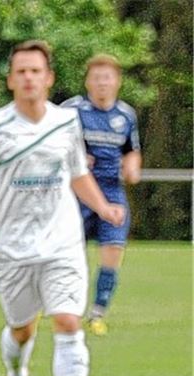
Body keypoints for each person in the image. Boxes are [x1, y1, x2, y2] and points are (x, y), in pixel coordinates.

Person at [0, 40, 126, 376]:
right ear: (11, 80)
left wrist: (102, 207)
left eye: (36, 71)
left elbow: (78, 173)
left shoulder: (66, 122)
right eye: (21, 72)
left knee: (68, 321)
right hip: (12, 248)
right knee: (22, 330)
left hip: (62, 241)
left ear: (49, 78)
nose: (29, 78)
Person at [61, 54, 142, 336]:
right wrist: (75, 157)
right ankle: (62, 305)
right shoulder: (72, 110)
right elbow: (52, 141)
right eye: (96, 78)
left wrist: (132, 169)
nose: (102, 83)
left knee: (113, 250)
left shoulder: (126, 115)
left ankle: (97, 313)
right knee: (67, 253)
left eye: (107, 78)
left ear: (117, 82)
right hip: (77, 190)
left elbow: (131, 150)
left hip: (111, 190)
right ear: (87, 82)